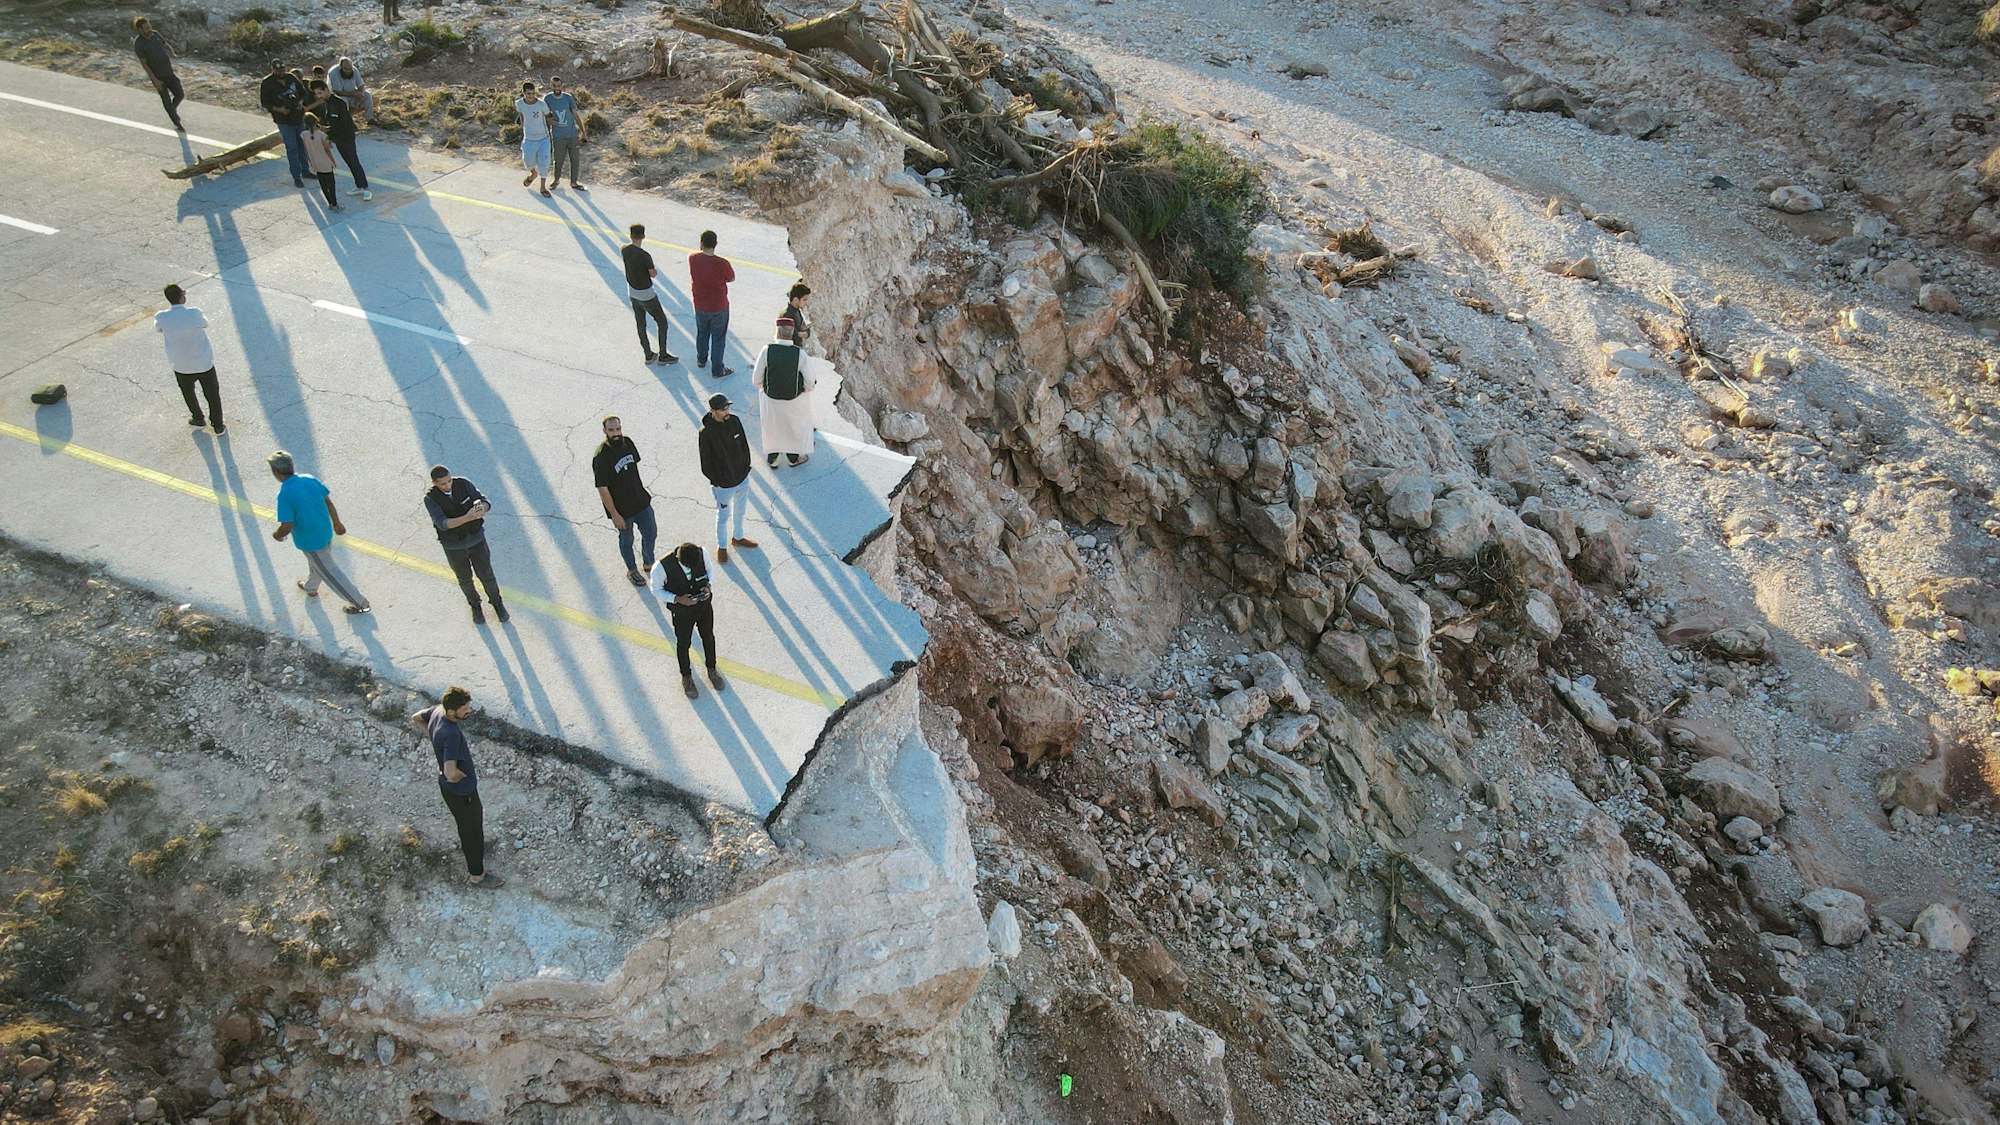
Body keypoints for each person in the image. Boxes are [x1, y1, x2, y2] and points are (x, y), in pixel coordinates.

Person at [409, 687, 504, 889]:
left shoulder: (437, 711)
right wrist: (461, 775)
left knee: (470, 826)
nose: (469, 711)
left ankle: (476, 852)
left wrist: (435, 740)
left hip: (451, 790)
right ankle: (477, 876)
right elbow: (451, 773)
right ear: (452, 711)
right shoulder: (451, 734)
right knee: (471, 832)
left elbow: (417, 717)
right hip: (462, 792)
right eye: (465, 708)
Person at [268, 450, 371, 614]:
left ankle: (361, 604)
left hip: (311, 543)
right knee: (318, 565)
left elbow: (286, 525)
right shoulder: (309, 479)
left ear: (276, 473)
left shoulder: (285, 494)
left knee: (332, 574)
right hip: (325, 533)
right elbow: (328, 503)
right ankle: (311, 587)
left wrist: (277, 535)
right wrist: (337, 523)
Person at [425, 465, 508, 624]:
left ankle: (497, 603)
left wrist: (482, 509)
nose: (448, 485)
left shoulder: (463, 484)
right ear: (434, 483)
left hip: (476, 540)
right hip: (454, 547)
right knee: (465, 579)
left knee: (487, 575)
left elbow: (483, 501)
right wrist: (467, 517)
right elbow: (443, 523)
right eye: (443, 484)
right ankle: (475, 605)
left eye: (449, 481)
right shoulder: (430, 499)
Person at [650, 543, 723, 698]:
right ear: (678, 559)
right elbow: (655, 589)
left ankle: (712, 668)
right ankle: (686, 677)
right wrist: (676, 599)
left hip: (703, 606)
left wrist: (708, 586)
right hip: (682, 613)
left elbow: (710, 569)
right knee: (683, 644)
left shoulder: (702, 553)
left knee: (708, 637)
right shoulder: (661, 567)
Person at [593, 416, 658, 586]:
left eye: (618, 429)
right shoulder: (601, 457)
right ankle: (632, 570)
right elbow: (602, 488)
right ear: (604, 431)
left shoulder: (627, 442)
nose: (616, 433)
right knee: (627, 540)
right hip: (622, 510)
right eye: (611, 430)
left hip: (640, 501)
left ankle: (649, 562)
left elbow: (633, 467)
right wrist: (614, 514)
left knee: (651, 533)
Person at [697, 394, 758, 564]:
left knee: (740, 510)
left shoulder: (735, 421)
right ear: (712, 410)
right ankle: (722, 546)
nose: (727, 411)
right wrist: (718, 480)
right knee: (723, 517)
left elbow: (744, 445)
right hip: (723, 486)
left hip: (742, 478)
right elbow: (705, 463)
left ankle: (738, 537)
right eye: (723, 409)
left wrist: (746, 467)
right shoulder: (706, 433)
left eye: (728, 407)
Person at [751, 318, 819, 468]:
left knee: (773, 428)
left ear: (777, 332)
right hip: (794, 401)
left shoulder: (767, 350)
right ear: (793, 333)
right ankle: (793, 458)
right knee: (792, 428)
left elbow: (756, 379)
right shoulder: (799, 354)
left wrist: (768, 388)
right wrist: (803, 392)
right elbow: (810, 382)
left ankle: (773, 459)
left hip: (771, 399)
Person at [154, 284, 222, 434]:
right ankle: (217, 425)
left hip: (180, 364)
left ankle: (198, 418)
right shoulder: (194, 313)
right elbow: (205, 324)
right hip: (203, 362)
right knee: (212, 393)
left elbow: (158, 329)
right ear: (182, 297)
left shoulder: (161, 317)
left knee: (188, 392)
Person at [621, 224, 679, 366]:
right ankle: (663, 355)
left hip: (633, 293)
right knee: (662, 322)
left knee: (641, 323)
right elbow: (653, 274)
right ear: (643, 236)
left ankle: (648, 354)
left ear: (630, 235)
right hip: (646, 294)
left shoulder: (624, 250)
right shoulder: (645, 255)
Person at [309, 79, 371, 200]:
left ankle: (365, 188)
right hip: (338, 138)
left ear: (326, 89)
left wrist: (329, 133)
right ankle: (359, 186)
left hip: (346, 137)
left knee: (354, 162)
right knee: (349, 162)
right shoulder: (326, 104)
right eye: (316, 94)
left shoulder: (339, 103)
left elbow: (345, 124)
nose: (318, 96)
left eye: (320, 93)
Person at [688, 229, 736, 380]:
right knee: (718, 338)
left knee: (702, 333)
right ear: (716, 244)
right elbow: (731, 278)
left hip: (700, 305)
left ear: (701, 244)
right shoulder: (723, 263)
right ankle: (717, 369)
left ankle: (701, 360)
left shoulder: (693, 258)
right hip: (719, 306)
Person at [259, 59, 311, 188]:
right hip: (284, 120)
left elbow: (303, 92)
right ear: (273, 70)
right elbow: (265, 103)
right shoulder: (267, 83)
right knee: (292, 148)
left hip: (298, 117)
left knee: (302, 145)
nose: (281, 72)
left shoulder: (291, 78)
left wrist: (300, 102)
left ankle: (306, 170)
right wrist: (279, 109)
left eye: (282, 69)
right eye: (278, 70)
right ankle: (296, 176)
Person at [132, 17, 184, 131]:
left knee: (180, 94)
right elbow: (144, 64)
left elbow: (166, 45)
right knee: (166, 99)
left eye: (149, 26)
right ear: (140, 29)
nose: (149, 29)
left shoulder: (156, 35)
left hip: (169, 72)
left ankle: (172, 109)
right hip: (158, 77)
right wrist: (155, 80)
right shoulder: (139, 44)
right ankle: (176, 121)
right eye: (146, 28)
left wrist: (172, 53)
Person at [544, 75, 585, 190]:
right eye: (554, 86)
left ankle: (574, 182)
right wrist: (549, 120)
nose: (556, 88)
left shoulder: (568, 98)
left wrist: (583, 131)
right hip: (558, 136)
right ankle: (556, 180)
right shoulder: (547, 99)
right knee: (558, 160)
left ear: (562, 85)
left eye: (558, 85)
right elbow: (545, 114)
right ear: (551, 86)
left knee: (575, 159)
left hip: (572, 134)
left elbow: (575, 114)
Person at [515, 81, 553, 198]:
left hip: (543, 139)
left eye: (533, 93)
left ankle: (542, 187)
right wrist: (523, 129)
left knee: (544, 162)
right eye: (528, 94)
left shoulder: (541, 104)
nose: (531, 96)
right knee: (528, 162)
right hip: (529, 138)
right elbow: (521, 115)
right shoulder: (519, 103)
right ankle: (533, 174)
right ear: (524, 93)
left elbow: (548, 117)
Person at [301, 112, 341, 211]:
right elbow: (327, 150)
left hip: (315, 163)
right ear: (316, 121)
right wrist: (333, 161)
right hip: (325, 162)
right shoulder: (322, 135)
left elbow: (306, 150)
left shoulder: (304, 135)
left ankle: (330, 204)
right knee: (331, 185)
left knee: (323, 185)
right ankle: (335, 204)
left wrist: (310, 162)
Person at [329, 57, 374, 122]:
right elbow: (338, 92)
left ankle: (370, 119)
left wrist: (361, 94)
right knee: (343, 101)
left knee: (367, 95)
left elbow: (361, 85)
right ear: (340, 67)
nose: (348, 71)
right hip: (338, 96)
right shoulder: (333, 73)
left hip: (352, 94)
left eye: (350, 69)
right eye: (345, 69)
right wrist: (354, 94)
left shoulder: (354, 70)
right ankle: (346, 121)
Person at [777, 282, 812, 350]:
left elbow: (806, 329)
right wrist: (801, 334)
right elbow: (794, 336)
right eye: (804, 300)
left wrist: (802, 333)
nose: (806, 303)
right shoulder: (786, 315)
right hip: (788, 352)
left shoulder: (797, 311)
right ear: (796, 299)